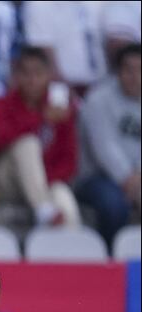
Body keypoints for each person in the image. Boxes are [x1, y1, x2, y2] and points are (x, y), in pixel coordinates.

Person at [0, 47, 82, 229]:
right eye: (26, 73)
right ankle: (43, 210)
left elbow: (69, 161)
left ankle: (70, 253)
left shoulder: (60, 108)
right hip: (6, 182)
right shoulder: (2, 104)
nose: (32, 80)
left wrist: (44, 182)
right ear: (16, 76)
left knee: (65, 202)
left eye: (38, 73)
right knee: (27, 143)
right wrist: (41, 119)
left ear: (48, 75)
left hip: (45, 182)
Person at [76, 43, 141, 246]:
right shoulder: (98, 100)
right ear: (117, 71)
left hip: (136, 178)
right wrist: (131, 180)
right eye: (129, 69)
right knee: (113, 204)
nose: (135, 76)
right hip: (95, 178)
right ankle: (111, 260)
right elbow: (104, 148)